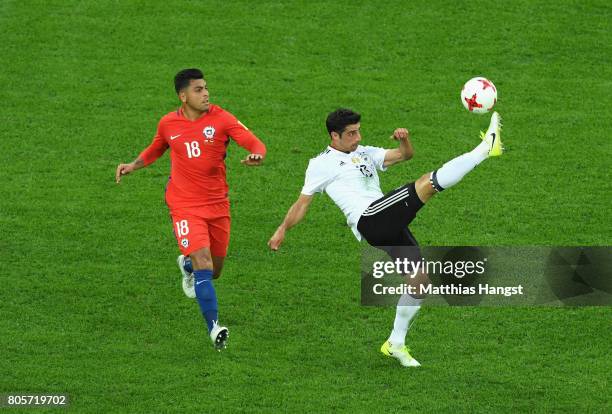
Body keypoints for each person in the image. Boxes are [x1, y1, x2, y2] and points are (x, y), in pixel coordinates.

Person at [268, 108, 503, 367]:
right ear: (334, 135)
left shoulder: (365, 152)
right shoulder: (320, 164)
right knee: (428, 183)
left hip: (385, 219)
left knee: (420, 281)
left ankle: (395, 343)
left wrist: (404, 139)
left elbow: (405, 155)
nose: (357, 137)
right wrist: (282, 228)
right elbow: (302, 203)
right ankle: (484, 149)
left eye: (358, 130)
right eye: (351, 133)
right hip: (370, 219)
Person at [116, 68, 266, 351]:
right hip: (184, 204)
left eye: (206, 88)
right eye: (198, 89)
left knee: (214, 270)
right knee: (205, 264)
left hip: (217, 204)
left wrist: (258, 154)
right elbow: (157, 148)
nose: (206, 93)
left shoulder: (222, 119)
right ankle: (214, 328)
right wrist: (133, 165)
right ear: (183, 96)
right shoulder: (168, 124)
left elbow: (254, 142)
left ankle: (186, 266)